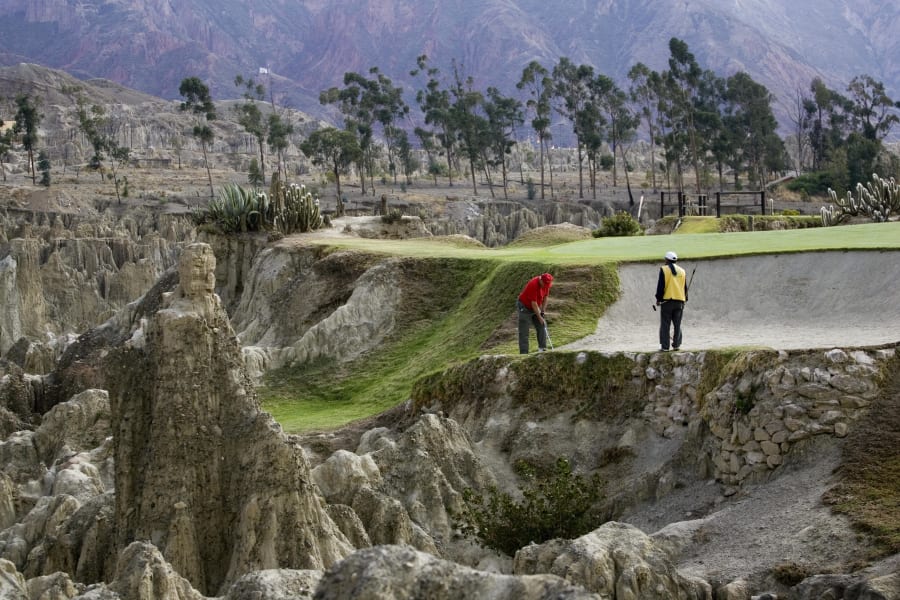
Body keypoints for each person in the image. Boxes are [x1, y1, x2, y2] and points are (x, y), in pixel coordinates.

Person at [655, 251, 687, 351]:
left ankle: (665, 347)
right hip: (680, 301)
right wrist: (685, 299)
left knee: (665, 324)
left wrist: (658, 299)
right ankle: (676, 345)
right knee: (677, 324)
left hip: (667, 302)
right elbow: (684, 288)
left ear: (666, 260)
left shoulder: (664, 270)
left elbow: (661, 286)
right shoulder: (682, 271)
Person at [517, 272, 554, 354]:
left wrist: (543, 311)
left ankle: (542, 349)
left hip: (536, 305)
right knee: (524, 331)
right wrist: (539, 317)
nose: (546, 287)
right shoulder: (533, 284)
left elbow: (545, 298)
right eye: (545, 284)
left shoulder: (546, 284)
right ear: (541, 280)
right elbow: (533, 303)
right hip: (525, 307)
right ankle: (524, 354)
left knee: (542, 325)